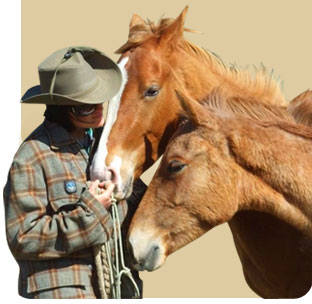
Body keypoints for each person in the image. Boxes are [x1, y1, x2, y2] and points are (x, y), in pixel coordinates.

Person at [3, 46, 146, 299]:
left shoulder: (105, 147)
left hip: (116, 288)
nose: (98, 110)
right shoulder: (31, 157)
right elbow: (22, 237)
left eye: (99, 99)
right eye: (84, 108)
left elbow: (144, 207)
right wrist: (90, 210)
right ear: (61, 110)